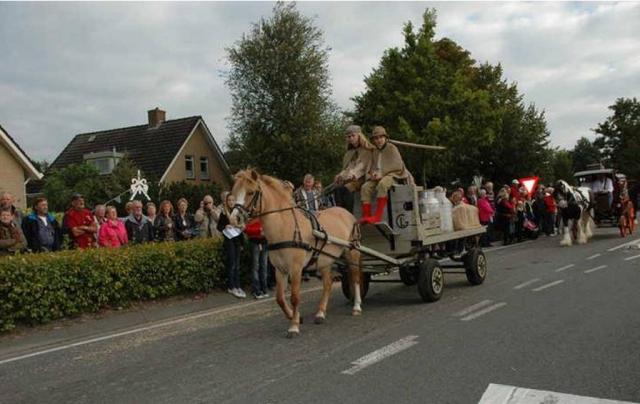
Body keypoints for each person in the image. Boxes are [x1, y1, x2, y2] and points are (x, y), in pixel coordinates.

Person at [360, 126, 409, 224]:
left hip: (393, 175)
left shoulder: (391, 148)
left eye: (380, 138)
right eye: (376, 138)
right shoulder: (375, 151)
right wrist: (373, 173)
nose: (378, 140)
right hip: (378, 176)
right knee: (365, 187)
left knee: (382, 184)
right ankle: (367, 215)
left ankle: (378, 216)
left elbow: (397, 165)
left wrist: (381, 174)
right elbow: (373, 166)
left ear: (385, 138)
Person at [334, 125, 374, 212]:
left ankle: (349, 214)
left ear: (359, 135)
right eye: (349, 137)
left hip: (364, 177)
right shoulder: (350, 152)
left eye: (353, 135)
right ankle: (340, 212)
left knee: (347, 188)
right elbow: (349, 167)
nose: (351, 138)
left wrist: (353, 174)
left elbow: (362, 166)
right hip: (352, 178)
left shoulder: (367, 149)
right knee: (337, 189)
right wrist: (340, 175)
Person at [217, 193, 246, 298]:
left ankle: (238, 286)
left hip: (237, 240)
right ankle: (231, 286)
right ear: (226, 201)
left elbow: (241, 229)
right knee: (232, 264)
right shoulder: (224, 213)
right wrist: (225, 225)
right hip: (229, 240)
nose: (231, 202)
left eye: (233, 200)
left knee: (237, 265)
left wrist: (242, 243)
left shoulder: (237, 213)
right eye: (229, 200)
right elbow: (219, 227)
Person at [245, 218, 269, 299]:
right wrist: (259, 230)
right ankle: (256, 290)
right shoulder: (251, 218)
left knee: (264, 266)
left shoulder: (265, 216)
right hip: (255, 243)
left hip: (264, 242)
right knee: (255, 266)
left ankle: (264, 288)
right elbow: (247, 229)